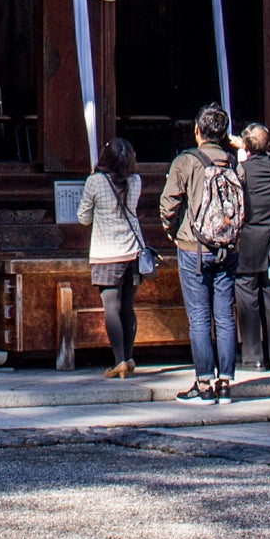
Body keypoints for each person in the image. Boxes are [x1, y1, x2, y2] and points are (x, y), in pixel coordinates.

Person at [160, 104, 242, 405]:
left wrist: (170, 229)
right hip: (227, 247)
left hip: (194, 247)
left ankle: (204, 382)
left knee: (199, 316)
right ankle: (226, 382)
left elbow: (169, 202)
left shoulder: (186, 162)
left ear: (197, 130)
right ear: (224, 134)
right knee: (224, 314)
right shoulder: (233, 163)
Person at [77, 136, 146, 377]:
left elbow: (83, 217)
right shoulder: (136, 180)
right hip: (132, 251)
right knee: (128, 306)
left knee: (111, 308)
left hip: (107, 252)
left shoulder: (95, 182)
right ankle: (129, 356)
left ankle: (119, 360)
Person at [234, 123, 270, 375]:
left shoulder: (241, 169)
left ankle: (253, 356)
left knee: (247, 298)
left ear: (245, 147)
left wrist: (241, 153)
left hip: (247, 239)